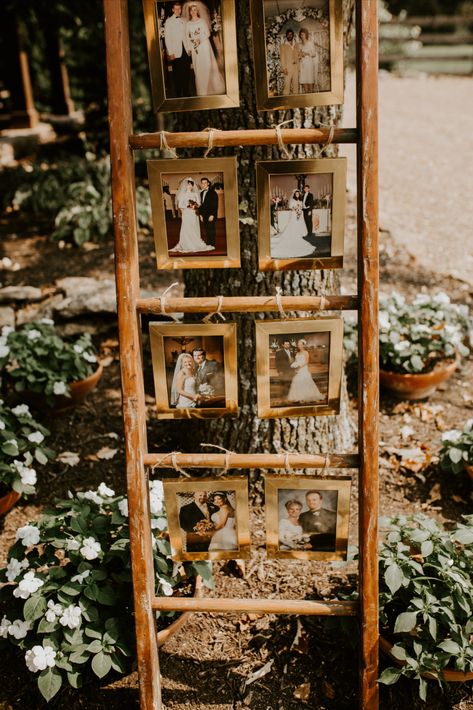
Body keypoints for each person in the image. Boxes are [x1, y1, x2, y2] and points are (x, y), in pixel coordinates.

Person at [183, 2, 226, 96]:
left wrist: (199, 40)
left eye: (195, 10)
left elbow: (207, 33)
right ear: (189, 12)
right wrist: (189, 48)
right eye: (192, 10)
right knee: (198, 69)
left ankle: (213, 88)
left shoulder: (202, 21)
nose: (193, 11)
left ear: (197, 11)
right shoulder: (188, 24)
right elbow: (186, 36)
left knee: (207, 66)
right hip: (195, 50)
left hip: (204, 47)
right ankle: (201, 91)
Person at [171, 177, 215, 254]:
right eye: (188, 185)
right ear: (185, 186)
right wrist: (187, 206)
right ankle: (186, 244)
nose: (190, 186)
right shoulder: (183, 195)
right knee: (187, 228)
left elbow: (199, 204)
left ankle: (195, 242)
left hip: (194, 214)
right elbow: (180, 205)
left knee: (194, 228)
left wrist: (195, 206)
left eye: (191, 185)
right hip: (186, 214)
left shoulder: (195, 194)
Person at [271, 189, 314, 259]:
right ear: (294, 194)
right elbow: (290, 206)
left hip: (300, 214)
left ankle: (299, 234)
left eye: (298, 194)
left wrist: (300, 210)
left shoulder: (300, 200)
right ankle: (294, 234)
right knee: (294, 224)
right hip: (294, 214)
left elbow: (302, 206)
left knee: (299, 224)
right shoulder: (292, 200)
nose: (297, 195)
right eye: (296, 194)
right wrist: (296, 209)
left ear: (299, 194)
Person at [163, 2, 191, 97]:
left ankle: (186, 91)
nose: (178, 11)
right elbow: (167, 38)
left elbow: (187, 35)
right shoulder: (169, 21)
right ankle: (178, 93)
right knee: (177, 73)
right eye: (176, 9)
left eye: (179, 9)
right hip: (175, 51)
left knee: (186, 72)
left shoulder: (184, 20)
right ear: (172, 10)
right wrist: (170, 52)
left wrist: (189, 48)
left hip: (186, 50)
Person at [287, 339, 325, 404]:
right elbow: (296, 361)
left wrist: (300, 366)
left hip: (303, 369)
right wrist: (295, 365)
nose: (299, 346)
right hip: (298, 370)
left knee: (304, 381)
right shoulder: (297, 353)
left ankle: (307, 396)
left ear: (303, 345)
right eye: (298, 345)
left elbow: (307, 361)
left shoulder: (306, 352)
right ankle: (299, 397)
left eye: (300, 345)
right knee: (296, 380)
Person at [199, 177, 219, 247]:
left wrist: (212, 215)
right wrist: (200, 215)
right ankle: (208, 243)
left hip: (210, 214)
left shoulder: (213, 193)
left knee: (211, 229)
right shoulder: (201, 193)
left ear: (208, 183)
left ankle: (212, 244)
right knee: (207, 229)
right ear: (201, 184)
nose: (204, 184)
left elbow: (215, 205)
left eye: (205, 183)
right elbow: (200, 205)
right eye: (202, 183)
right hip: (204, 214)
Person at [279, 29, 299, 95]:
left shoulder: (296, 45)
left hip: (295, 68)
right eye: (288, 34)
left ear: (293, 35)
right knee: (287, 86)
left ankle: (296, 102)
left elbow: (298, 55)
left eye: (291, 34)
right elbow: (282, 58)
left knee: (296, 85)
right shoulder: (283, 46)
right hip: (288, 68)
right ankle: (286, 102)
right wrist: (284, 68)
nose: (290, 36)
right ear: (286, 36)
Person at [298, 28, 317, 93]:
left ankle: (312, 96)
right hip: (303, 65)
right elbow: (299, 55)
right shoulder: (300, 44)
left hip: (309, 63)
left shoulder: (310, 43)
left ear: (306, 35)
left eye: (303, 34)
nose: (302, 36)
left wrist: (306, 53)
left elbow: (314, 54)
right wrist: (299, 56)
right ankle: (306, 96)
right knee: (305, 81)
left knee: (310, 80)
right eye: (301, 35)